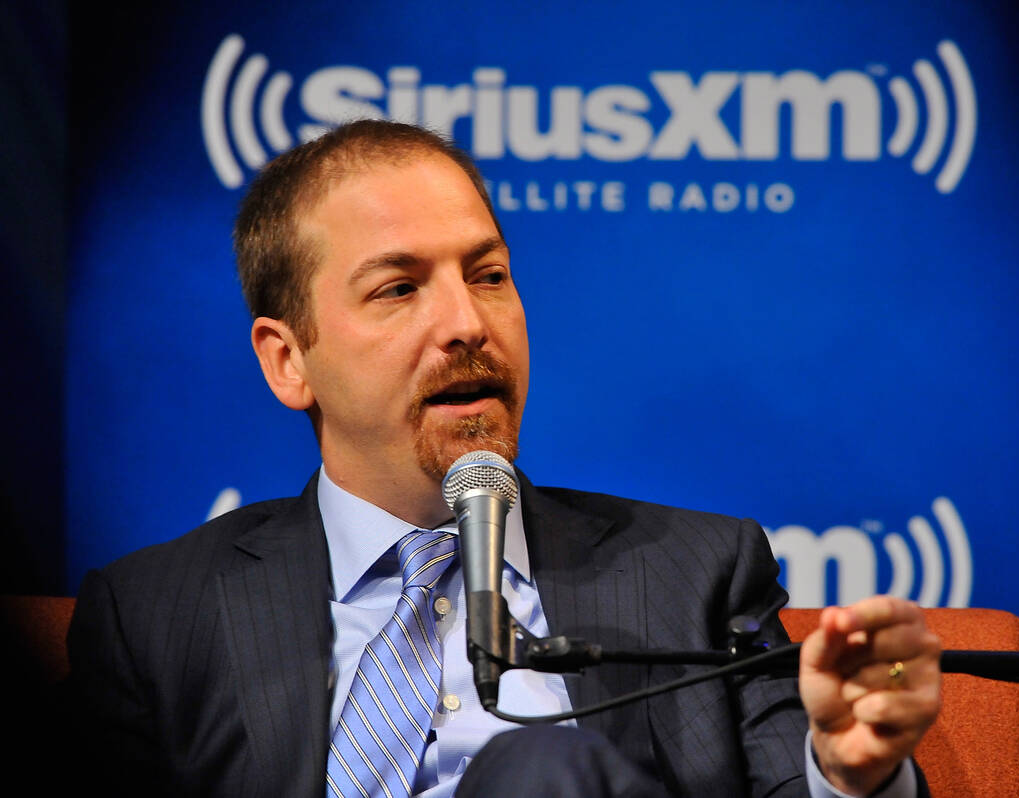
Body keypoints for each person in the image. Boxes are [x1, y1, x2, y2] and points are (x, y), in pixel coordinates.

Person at [65, 120, 941, 797]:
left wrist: (847, 772)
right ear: (288, 360)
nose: (468, 325)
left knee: (537, 774)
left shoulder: (698, 574)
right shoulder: (154, 618)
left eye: (488, 275)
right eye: (399, 288)